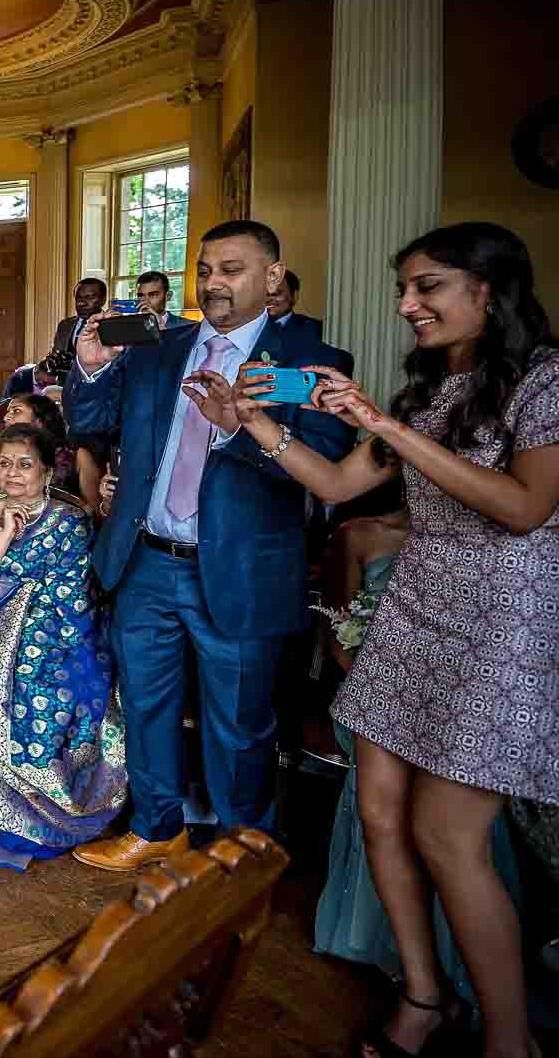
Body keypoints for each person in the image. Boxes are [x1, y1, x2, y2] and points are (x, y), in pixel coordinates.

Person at [213, 222, 555, 1058]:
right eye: (406, 288)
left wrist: (387, 428)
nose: (408, 305)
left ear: (490, 290)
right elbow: (334, 482)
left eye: (428, 287)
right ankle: (423, 993)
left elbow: (524, 507)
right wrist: (254, 424)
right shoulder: (426, 392)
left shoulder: (544, 382)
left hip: (500, 623)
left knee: (446, 833)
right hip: (414, 610)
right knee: (378, 813)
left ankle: (511, 1042)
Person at [64, 220, 354, 872]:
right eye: (206, 269)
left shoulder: (312, 360)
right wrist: (88, 368)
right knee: (146, 707)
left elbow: (324, 467)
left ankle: (238, 857)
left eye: (232, 268)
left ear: (273, 278)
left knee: (239, 728)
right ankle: (156, 826)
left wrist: (245, 425)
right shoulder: (159, 349)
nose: (214, 282)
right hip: (146, 563)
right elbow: (89, 423)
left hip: (239, 571)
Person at [0, 423, 127, 868]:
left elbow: (81, 594)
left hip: (66, 637)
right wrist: (3, 537)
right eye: (4, 464)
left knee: (51, 691)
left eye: (24, 465)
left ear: (47, 472)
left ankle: (59, 815)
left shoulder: (72, 521)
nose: (13, 474)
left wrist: (37, 623)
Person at [51, 278, 108, 359]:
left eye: (89, 298)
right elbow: (55, 356)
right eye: (78, 297)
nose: (80, 303)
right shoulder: (64, 325)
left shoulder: (111, 326)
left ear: (103, 300)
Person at [268, 268, 325, 340]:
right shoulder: (251, 327)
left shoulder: (316, 330)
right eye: (264, 294)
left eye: (276, 293)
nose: (268, 299)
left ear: (294, 295)